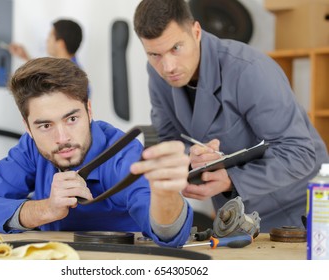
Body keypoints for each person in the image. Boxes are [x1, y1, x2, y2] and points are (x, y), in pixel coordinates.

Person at [133, 0, 329, 232]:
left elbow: (301, 154)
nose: (168, 67)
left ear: (196, 32)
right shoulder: (157, 75)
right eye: (154, 54)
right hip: (238, 216)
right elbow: (170, 141)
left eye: (176, 48)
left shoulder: (249, 70)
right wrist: (190, 158)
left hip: (303, 210)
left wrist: (231, 180)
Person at [0, 57, 193, 248]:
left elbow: (170, 235)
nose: (62, 138)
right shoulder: (31, 149)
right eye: (45, 125)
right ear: (27, 127)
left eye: (71, 118)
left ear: (89, 110)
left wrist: (166, 195)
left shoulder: (123, 154)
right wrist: (44, 210)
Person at [9, 18, 90, 97]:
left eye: (50, 36)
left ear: (60, 44)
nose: (47, 40)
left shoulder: (70, 79)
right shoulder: (73, 73)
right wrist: (25, 56)